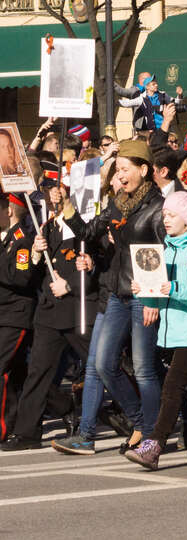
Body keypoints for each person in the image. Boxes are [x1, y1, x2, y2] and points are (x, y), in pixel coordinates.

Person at [59, 139, 165, 453]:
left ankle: (151, 436)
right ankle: (140, 422)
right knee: (104, 365)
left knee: (145, 370)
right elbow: (89, 234)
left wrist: (154, 299)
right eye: (117, 170)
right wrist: (68, 208)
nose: (118, 176)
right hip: (117, 294)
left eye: (124, 169)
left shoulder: (157, 206)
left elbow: (160, 253)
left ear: (143, 170)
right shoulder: (118, 202)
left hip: (143, 296)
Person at [124, 192, 187, 470]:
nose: (165, 219)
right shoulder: (165, 250)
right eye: (165, 214)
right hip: (171, 331)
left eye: (172, 215)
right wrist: (144, 293)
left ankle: (154, 445)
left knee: (172, 386)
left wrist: (176, 290)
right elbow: (158, 295)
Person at [0, 188, 99, 451]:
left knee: (104, 367)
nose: (54, 204)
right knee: (38, 372)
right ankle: (27, 433)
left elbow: (95, 260)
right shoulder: (46, 229)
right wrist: (34, 253)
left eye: (59, 200)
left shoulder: (81, 228)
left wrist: (72, 286)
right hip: (49, 311)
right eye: (52, 201)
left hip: (77, 310)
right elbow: (29, 274)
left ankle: (130, 416)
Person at [0, 194, 37, 442]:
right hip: (4, 313)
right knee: (16, 372)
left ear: (9, 211)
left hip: (15, 314)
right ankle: (63, 405)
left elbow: (21, 278)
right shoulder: (5, 240)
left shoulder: (21, 241)